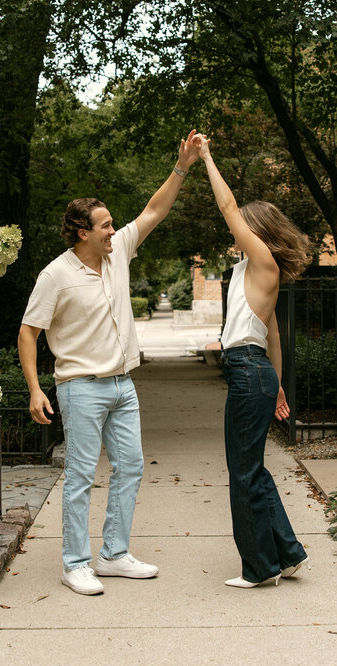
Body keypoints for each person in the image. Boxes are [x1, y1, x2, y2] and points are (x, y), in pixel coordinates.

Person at [18, 132, 202, 596]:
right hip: (80, 387)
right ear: (83, 232)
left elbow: (154, 210)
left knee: (131, 467)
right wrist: (36, 389)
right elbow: (28, 331)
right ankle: (75, 563)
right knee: (81, 475)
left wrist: (182, 166)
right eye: (104, 225)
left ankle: (114, 554)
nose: (112, 230)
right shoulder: (56, 275)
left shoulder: (117, 253)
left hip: (123, 386)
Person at [192, 131, 311, 588]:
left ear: (256, 230)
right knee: (252, 468)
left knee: (243, 473)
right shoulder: (251, 270)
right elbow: (273, 335)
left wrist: (206, 156)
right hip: (255, 370)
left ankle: (261, 568)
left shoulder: (262, 260)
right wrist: (277, 383)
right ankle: (288, 553)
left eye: (243, 224)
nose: (234, 227)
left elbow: (226, 207)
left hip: (246, 371)